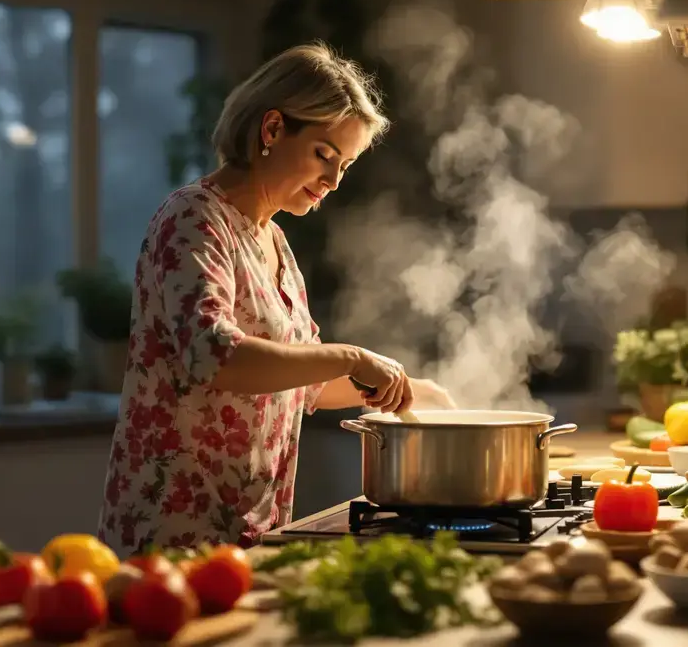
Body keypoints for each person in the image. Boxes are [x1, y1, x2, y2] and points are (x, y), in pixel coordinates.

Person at [97, 42, 456, 555]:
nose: (333, 181)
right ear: (271, 130)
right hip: (172, 536)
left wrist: (410, 388)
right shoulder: (193, 220)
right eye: (324, 155)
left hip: (252, 532)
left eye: (346, 165)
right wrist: (355, 357)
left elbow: (302, 382)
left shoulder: (275, 241)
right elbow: (213, 356)